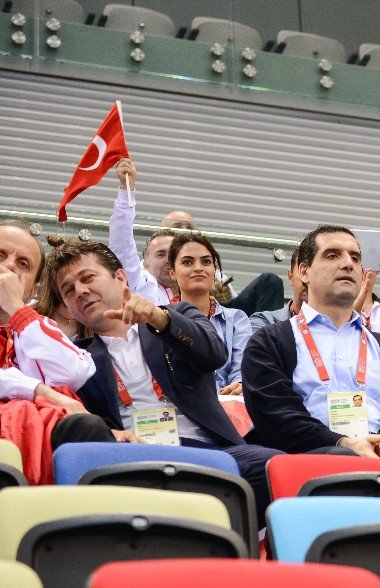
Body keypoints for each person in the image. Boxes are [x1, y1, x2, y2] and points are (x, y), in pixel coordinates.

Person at [49, 240, 282, 520]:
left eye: (88, 278)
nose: (81, 291)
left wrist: (160, 320)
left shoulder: (176, 316)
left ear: (120, 278)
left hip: (205, 450)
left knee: (274, 467)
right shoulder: (75, 356)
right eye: (68, 290)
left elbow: (214, 355)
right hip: (131, 457)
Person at [241, 225, 380, 495]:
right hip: (308, 457)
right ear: (304, 272)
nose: (348, 263)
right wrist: (345, 443)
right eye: (332, 255)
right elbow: (276, 416)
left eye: (355, 258)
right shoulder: (270, 341)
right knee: (346, 461)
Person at [0, 223, 126, 484]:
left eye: (23, 264)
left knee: (88, 428)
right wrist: (40, 391)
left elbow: (73, 372)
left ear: (33, 292)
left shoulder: (34, 327)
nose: (10, 267)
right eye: (1, 256)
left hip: (37, 430)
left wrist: (14, 307)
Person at [107, 160, 284, 316]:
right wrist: (126, 191)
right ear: (144, 264)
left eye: (175, 256)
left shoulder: (202, 269)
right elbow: (122, 245)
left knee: (269, 282)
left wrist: (225, 297)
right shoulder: (141, 282)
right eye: (160, 254)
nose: (169, 259)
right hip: (168, 343)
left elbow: (235, 306)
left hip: (216, 333)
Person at [166, 233, 249, 395]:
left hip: (229, 404)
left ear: (214, 271)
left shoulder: (236, 318)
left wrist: (239, 384)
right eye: (187, 262)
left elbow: (241, 369)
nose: (198, 268)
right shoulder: (161, 320)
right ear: (172, 273)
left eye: (206, 262)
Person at [250, 248, 306, 332]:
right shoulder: (263, 322)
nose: (307, 279)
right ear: (290, 277)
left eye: (316, 271)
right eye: (303, 271)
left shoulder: (332, 326)